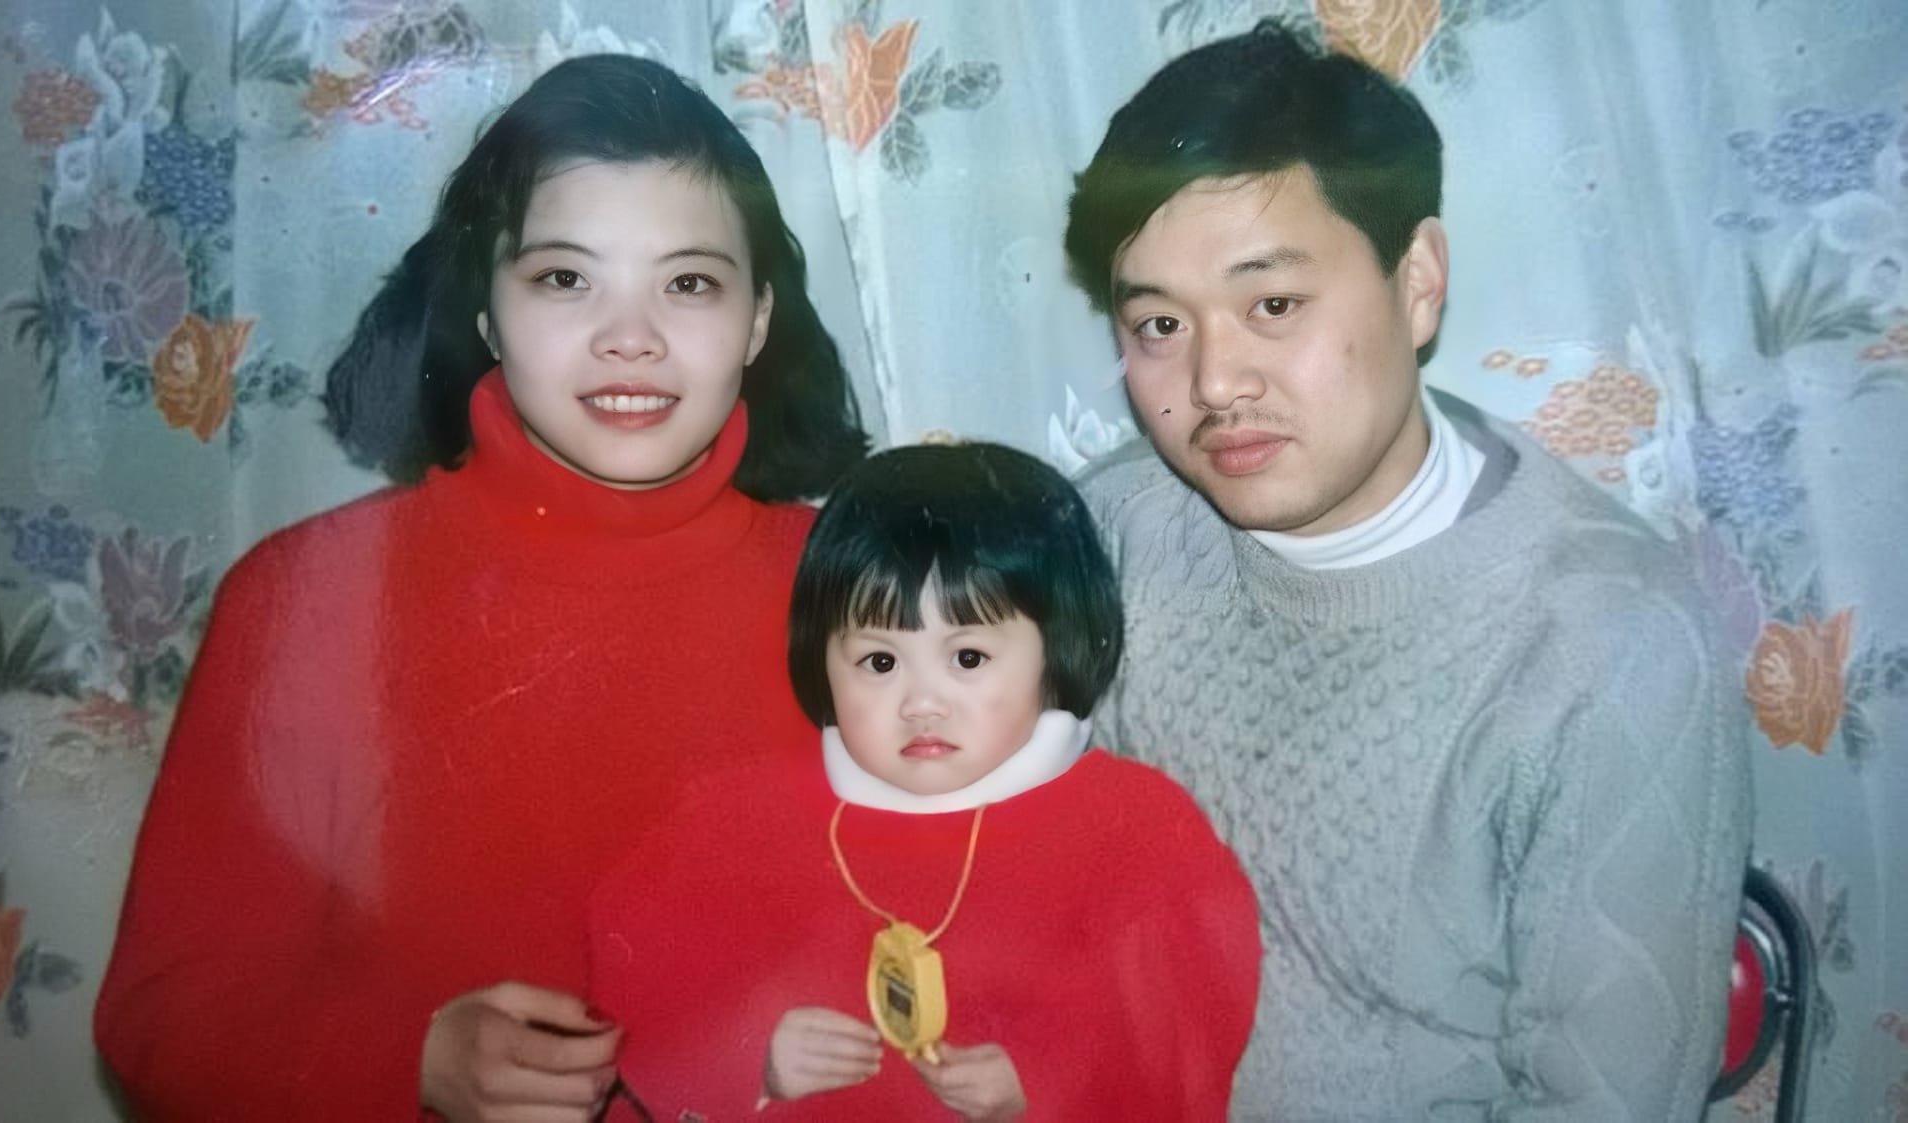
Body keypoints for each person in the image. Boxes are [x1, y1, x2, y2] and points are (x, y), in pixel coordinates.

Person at [93, 54, 866, 1121]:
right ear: (489, 315)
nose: (628, 336)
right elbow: (163, 1015)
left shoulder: (862, 594)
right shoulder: (303, 597)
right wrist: (408, 1060)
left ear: (758, 320)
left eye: (687, 282)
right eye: (563, 278)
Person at [1063, 21, 1752, 1121]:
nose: (1212, 381)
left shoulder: (1607, 644)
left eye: (1271, 305)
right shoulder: (1108, 534)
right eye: (1156, 323)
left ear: (1416, 279)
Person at [586, 443, 1260, 1121]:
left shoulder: (1132, 825)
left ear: (1058, 646)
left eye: (967, 656)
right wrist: (747, 1053)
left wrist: (1045, 1077)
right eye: (879, 660)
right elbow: (642, 969)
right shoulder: (738, 821)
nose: (921, 702)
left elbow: (1186, 1010)